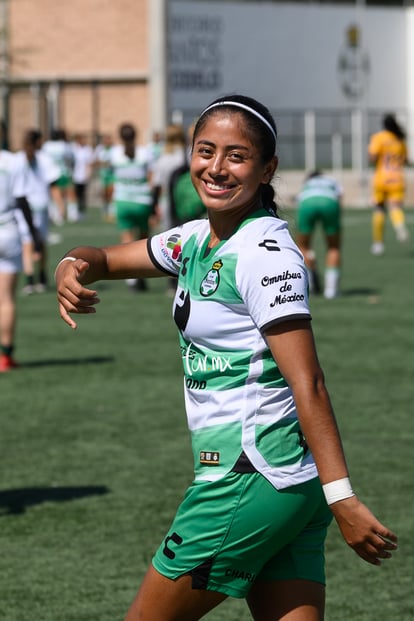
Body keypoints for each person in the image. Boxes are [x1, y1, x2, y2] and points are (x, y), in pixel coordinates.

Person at [55, 94, 397, 621]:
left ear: (267, 170)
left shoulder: (264, 255)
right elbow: (103, 258)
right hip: (286, 482)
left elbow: (308, 383)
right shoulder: (195, 238)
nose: (215, 168)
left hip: (249, 477)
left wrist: (344, 498)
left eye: (236, 156)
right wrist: (69, 265)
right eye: (205, 151)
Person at [0, 129, 42, 370]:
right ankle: (5, 357)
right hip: (7, 232)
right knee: (5, 299)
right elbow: (21, 200)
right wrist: (34, 236)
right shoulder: (13, 161)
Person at [109, 122, 155, 291]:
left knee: (127, 241)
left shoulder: (114, 154)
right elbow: (151, 178)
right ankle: (142, 273)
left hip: (123, 201)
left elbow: (110, 178)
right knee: (143, 241)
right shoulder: (145, 153)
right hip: (142, 201)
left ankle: (131, 278)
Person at [15, 129, 60, 294]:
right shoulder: (44, 159)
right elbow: (53, 183)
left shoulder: (17, 159)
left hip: (22, 205)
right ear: (39, 141)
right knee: (40, 242)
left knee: (27, 243)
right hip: (40, 206)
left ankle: (29, 280)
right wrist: (60, 205)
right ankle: (41, 277)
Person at [295, 170, 343, 299]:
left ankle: (309, 284)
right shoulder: (331, 180)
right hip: (329, 202)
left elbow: (300, 200)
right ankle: (331, 291)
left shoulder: (308, 183)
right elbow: (339, 198)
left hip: (307, 203)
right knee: (333, 247)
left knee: (303, 246)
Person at [368, 113, 409, 255]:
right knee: (395, 208)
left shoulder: (379, 138)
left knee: (379, 209)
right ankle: (399, 226)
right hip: (397, 178)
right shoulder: (400, 140)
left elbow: (372, 157)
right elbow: (405, 159)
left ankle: (378, 244)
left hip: (382, 178)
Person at [41, 128, 77, 223]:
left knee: (55, 194)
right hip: (64, 171)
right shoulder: (64, 145)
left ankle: (58, 215)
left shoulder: (46, 146)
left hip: (51, 173)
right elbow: (71, 158)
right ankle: (72, 214)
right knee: (69, 193)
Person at [71, 133, 94, 219]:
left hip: (83, 176)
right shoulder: (73, 148)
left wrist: (88, 173)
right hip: (74, 175)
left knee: (82, 195)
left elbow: (89, 163)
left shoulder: (87, 150)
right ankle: (74, 212)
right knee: (75, 195)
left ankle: (82, 211)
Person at [93, 133, 115, 220]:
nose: (108, 141)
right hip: (103, 175)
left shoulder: (114, 150)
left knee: (111, 193)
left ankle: (111, 212)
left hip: (112, 175)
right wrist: (102, 163)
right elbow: (95, 161)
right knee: (104, 194)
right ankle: (104, 210)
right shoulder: (99, 149)